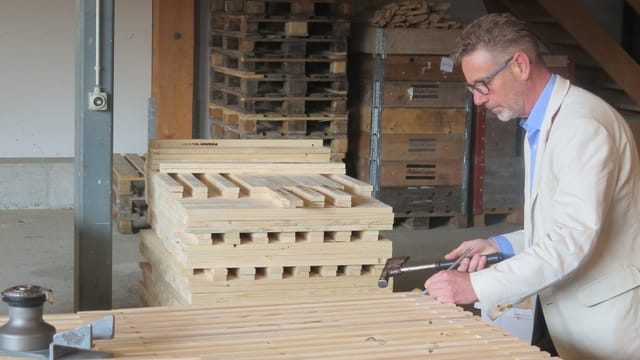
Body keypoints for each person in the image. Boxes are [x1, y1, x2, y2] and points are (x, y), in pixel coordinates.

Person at [423, 13, 640, 360]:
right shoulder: (538, 125)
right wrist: (498, 243)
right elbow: (564, 221)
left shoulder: (582, 126)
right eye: (472, 88)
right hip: (570, 311)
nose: (478, 99)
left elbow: (571, 238)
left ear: (520, 65)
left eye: (483, 85)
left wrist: (475, 286)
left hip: (604, 320)